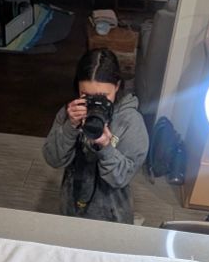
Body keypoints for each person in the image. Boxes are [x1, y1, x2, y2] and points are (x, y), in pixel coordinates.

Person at [43, 48, 149, 223]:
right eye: (87, 96)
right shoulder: (71, 113)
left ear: (117, 86)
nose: (95, 104)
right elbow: (53, 159)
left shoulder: (130, 122)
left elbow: (120, 178)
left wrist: (106, 147)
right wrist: (70, 126)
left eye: (103, 96)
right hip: (71, 203)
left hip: (112, 214)